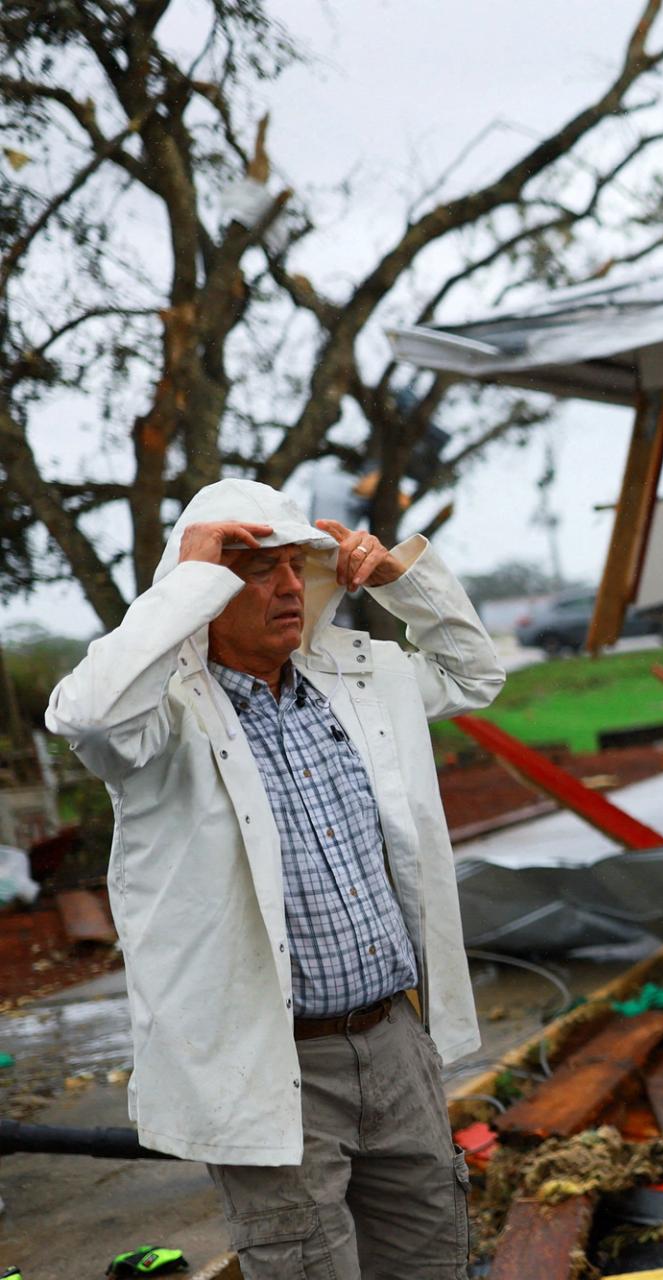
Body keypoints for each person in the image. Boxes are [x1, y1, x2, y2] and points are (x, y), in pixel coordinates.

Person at [46, 478, 505, 1278]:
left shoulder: (358, 680)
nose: (291, 586)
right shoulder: (162, 722)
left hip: (396, 1045)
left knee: (432, 1262)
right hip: (274, 1065)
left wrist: (405, 581)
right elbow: (87, 717)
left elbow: (474, 675)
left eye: (297, 565)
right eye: (258, 569)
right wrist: (189, 578)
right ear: (204, 586)